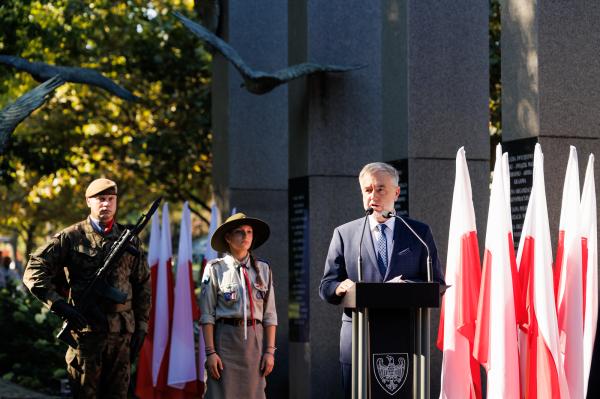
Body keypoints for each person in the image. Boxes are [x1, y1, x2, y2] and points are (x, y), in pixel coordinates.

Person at [319, 162, 445, 398]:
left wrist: (407, 287)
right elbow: (326, 285)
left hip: (405, 338)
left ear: (396, 193)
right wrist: (340, 287)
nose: (373, 196)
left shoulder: (418, 233)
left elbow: (436, 284)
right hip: (358, 339)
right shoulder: (345, 234)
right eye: (367, 190)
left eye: (380, 189)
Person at [22, 178, 151, 398]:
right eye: (101, 199)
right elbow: (34, 271)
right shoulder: (71, 237)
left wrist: (141, 324)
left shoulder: (129, 240)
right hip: (86, 335)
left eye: (111, 199)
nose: (106, 204)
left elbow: (142, 284)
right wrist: (60, 305)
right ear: (88, 202)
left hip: (121, 335)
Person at [200, 212, 277, 399]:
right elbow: (207, 315)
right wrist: (210, 352)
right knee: (221, 394)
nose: (246, 236)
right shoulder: (215, 268)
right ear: (228, 237)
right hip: (225, 342)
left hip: (254, 345)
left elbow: (270, 315)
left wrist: (269, 351)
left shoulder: (263, 270)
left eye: (249, 232)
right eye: (240, 232)